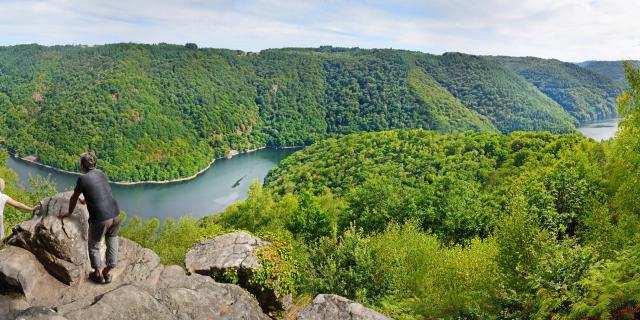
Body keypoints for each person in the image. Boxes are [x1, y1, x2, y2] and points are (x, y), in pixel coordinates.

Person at [59, 152, 120, 284]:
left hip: (101, 218)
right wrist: (86, 199)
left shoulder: (83, 179)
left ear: (82, 165)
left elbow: (74, 197)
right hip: (115, 214)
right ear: (95, 164)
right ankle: (107, 271)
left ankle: (98, 275)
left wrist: (69, 213)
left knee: (94, 245)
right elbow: (100, 190)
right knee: (112, 240)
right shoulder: (102, 174)